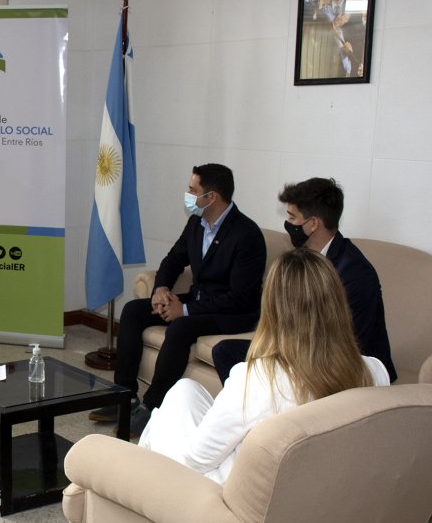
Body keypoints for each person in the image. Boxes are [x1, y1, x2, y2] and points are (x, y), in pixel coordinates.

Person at [139, 248, 391, 484]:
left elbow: (194, 461)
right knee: (185, 391)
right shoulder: (374, 370)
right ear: (337, 303)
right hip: (316, 484)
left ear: (273, 309)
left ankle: (135, 483)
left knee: (161, 423)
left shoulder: (258, 378)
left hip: (238, 492)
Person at [89, 163, 266, 437]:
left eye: (192, 190)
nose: (188, 194)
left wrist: (184, 309)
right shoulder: (197, 222)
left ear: (212, 197)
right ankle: (124, 395)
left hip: (232, 312)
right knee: (134, 310)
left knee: (181, 327)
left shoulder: (247, 234)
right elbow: (173, 260)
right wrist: (161, 289)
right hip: (199, 300)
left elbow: (240, 297)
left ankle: (152, 406)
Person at [212, 177, 396, 384]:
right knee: (225, 352)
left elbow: (350, 342)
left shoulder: (354, 272)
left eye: (292, 217)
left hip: (347, 364)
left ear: (313, 223)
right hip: (304, 350)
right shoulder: (303, 259)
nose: (288, 225)